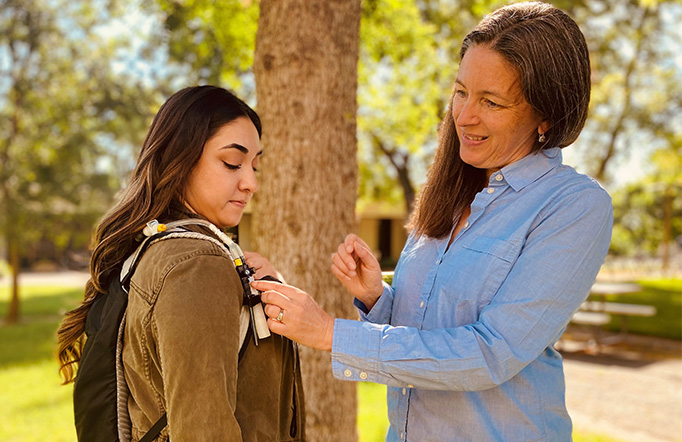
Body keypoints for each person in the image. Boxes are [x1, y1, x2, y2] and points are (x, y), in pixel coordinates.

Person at [251, 3, 613, 441]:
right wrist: (377, 298)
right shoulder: (453, 189)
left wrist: (331, 334)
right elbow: (425, 332)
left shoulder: (574, 205)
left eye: (491, 101)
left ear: (546, 116)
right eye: (461, 92)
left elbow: (490, 352)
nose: (465, 116)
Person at [57, 86, 304, 441]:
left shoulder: (157, 247)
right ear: (181, 158)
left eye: (255, 166)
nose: (250, 183)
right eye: (232, 163)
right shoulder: (198, 265)